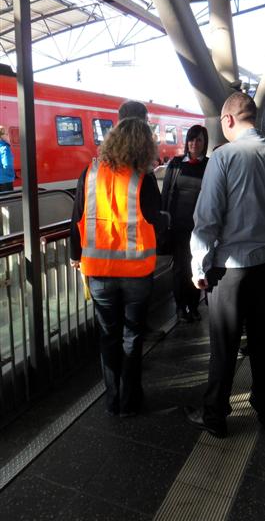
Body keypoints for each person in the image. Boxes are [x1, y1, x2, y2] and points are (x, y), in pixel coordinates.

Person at [184, 92, 265, 438]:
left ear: (229, 120)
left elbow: (206, 221)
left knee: (224, 346)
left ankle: (216, 415)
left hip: (229, 272)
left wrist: (198, 268)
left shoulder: (223, 158)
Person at [70, 114, 167, 417]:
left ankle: (113, 401)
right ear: (144, 145)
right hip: (136, 272)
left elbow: (76, 219)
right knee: (132, 336)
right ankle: (130, 401)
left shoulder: (90, 172)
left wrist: (76, 256)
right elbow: (156, 220)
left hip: (98, 271)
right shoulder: (144, 177)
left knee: (107, 336)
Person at [161, 124, 209, 323]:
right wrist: (164, 221)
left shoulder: (209, 164)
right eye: (191, 139)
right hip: (178, 227)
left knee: (196, 267)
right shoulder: (177, 163)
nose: (194, 144)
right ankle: (181, 307)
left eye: (198, 140)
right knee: (180, 268)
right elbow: (166, 193)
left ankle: (193, 304)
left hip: (201, 227)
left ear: (205, 143)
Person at [0, 125, 15, 192]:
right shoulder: (4, 148)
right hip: (5, 180)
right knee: (8, 201)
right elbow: (7, 164)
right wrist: (11, 175)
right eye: (6, 134)